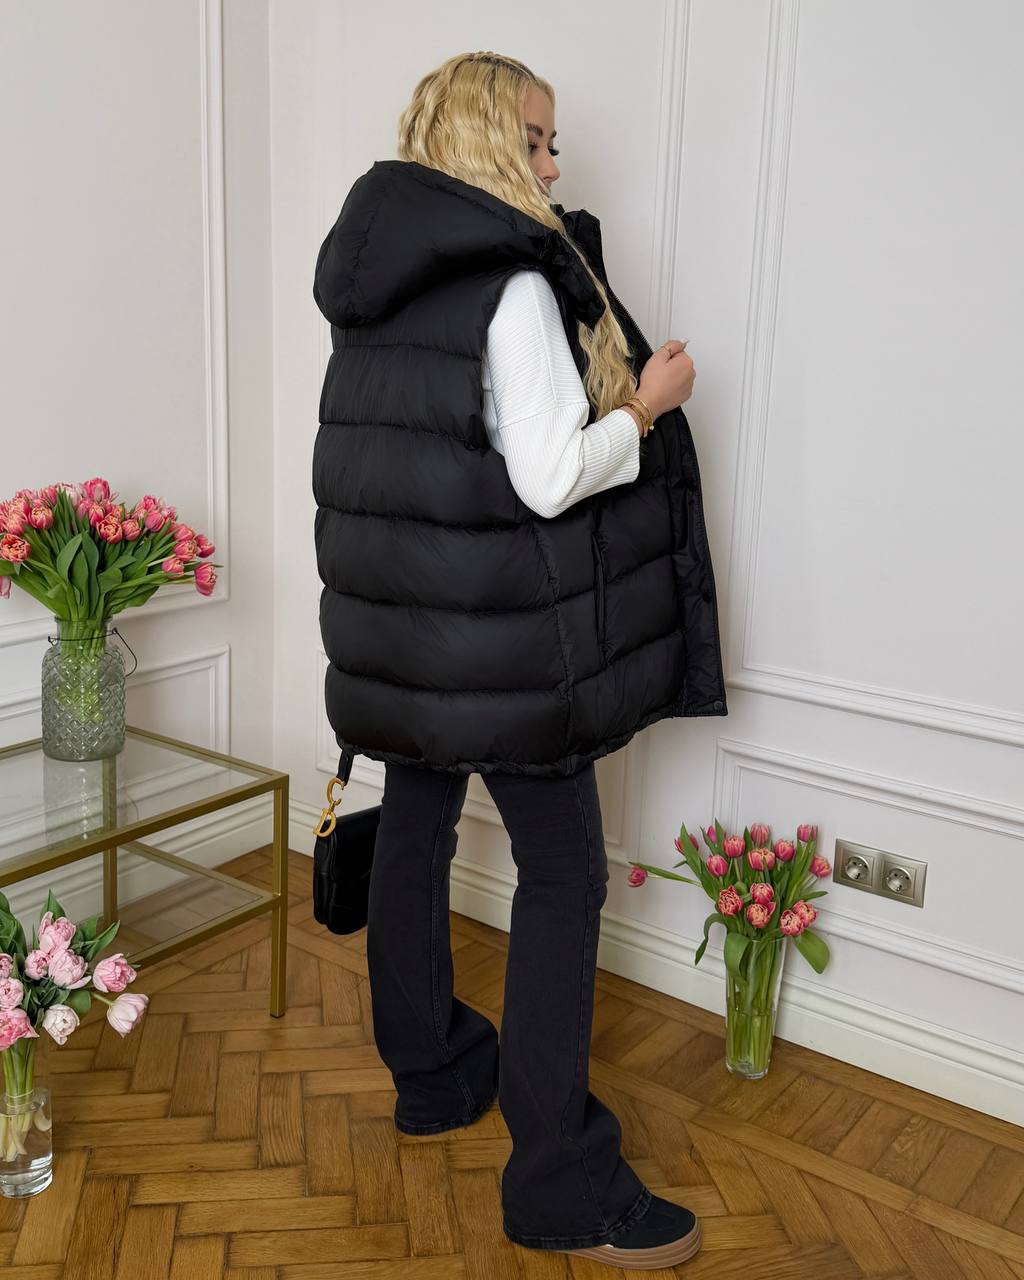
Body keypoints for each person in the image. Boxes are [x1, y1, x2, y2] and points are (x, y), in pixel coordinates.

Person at [312, 50, 727, 1271]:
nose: (553, 164)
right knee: (562, 875)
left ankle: (435, 1075)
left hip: (397, 637)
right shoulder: (511, 288)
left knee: (416, 834)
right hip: (498, 645)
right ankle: (558, 1180)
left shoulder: (373, 287)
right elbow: (548, 479)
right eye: (537, 141)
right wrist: (645, 407)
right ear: (490, 142)